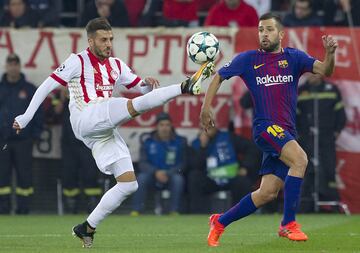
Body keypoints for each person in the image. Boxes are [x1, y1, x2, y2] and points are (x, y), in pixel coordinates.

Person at [12, 17, 214, 248]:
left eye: (110, 39)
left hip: (102, 130)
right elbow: (46, 86)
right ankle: (185, 86)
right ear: (90, 41)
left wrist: (146, 84)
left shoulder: (116, 64)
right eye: (103, 40)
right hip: (85, 117)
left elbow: (140, 88)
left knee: (129, 184)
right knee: (127, 105)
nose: (108, 44)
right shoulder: (76, 61)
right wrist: (26, 117)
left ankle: (87, 227)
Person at [200, 13, 338, 246]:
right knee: (300, 160)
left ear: (281, 34)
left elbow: (326, 70)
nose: (264, 34)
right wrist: (206, 108)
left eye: (269, 30)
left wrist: (330, 54)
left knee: (267, 193)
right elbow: (218, 77)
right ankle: (288, 224)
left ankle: (220, 221)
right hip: (265, 128)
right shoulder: (248, 59)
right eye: (261, 30)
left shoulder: (294, 57)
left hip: (286, 132)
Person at [0, 53, 43, 214]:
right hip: (2, 140)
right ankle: (3, 209)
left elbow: (39, 113)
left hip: (24, 140)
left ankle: (23, 208)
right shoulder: (0, 88)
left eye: (15, 64)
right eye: (10, 64)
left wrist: (36, 135)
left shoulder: (29, 89)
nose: (13, 67)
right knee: (2, 176)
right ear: (6, 66)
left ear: (19, 66)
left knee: (24, 175)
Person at [297, 73, 347, 212]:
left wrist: (337, 130)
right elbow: (295, 115)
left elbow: (340, 113)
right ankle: (306, 205)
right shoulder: (301, 90)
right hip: (306, 137)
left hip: (326, 136)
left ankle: (333, 204)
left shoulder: (331, 89)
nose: (312, 77)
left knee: (328, 167)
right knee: (306, 168)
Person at [188, 126, 260, 213]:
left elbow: (252, 148)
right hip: (210, 179)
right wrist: (203, 147)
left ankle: (239, 213)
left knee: (243, 182)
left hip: (231, 177)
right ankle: (198, 214)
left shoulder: (229, 137)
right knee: (194, 177)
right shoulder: (196, 143)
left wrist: (245, 167)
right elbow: (195, 165)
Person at [54, 89, 102, 214]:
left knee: (90, 173)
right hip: (68, 143)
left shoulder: (90, 89)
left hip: (87, 141)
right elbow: (52, 116)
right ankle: (71, 203)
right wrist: (61, 100)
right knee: (69, 173)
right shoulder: (59, 93)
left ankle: (92, 203)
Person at [131, 112, 187, 215]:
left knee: (178, 179)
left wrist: (168, 173)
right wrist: (155, 172)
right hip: (152, 176)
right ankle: (136, 210)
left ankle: (174, 210)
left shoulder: (180, 142)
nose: (164, 128)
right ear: (156, 127)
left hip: (171, 176)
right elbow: (143, 163)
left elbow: (183, 163)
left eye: (167, 125)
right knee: (141, 178)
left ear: (171, 126)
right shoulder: (148, 142)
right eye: (161, 125)